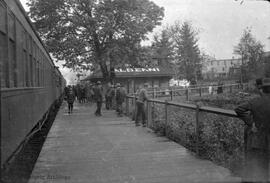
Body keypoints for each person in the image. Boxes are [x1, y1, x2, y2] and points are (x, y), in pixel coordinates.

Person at [234, 78, 270, 183]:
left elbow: (238, 109)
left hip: (257, 141)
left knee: (256, 165)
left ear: (262, 90)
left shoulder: (255, 101)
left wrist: (250, 122)